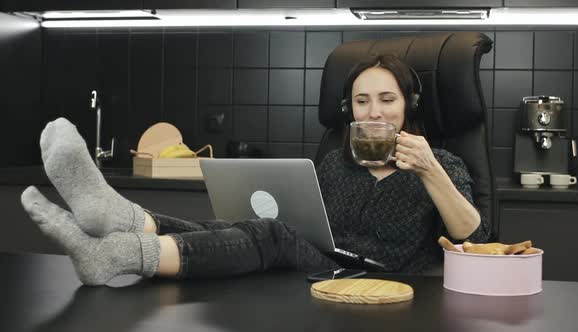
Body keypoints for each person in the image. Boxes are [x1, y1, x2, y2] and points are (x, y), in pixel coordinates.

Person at [21, 54, 490, 286]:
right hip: (316, 266)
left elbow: (475, 239)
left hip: (373, 281)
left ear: (409, 104)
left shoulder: (440, 163)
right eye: (362, 101)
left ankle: (122, 251)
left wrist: (429, 170)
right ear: (348, 110)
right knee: (237, 227)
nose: (374, 112)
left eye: (387, 99)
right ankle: (116, 222)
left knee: (271, 234)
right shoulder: (335, 163)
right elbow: (308, 230)